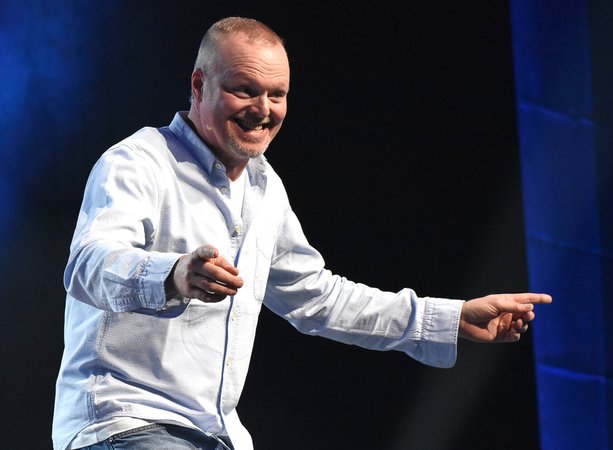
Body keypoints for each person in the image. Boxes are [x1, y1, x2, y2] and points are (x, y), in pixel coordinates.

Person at [52, 16, 551, 450]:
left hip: (214, 433)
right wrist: (175, 273)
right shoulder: (140, 161)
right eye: (244, 90)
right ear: (199, 85)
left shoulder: (264, 188)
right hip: (126, 423)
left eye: (277, 94)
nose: (263, 109)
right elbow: (89, 264)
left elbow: (320, 298)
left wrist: (453, 317)